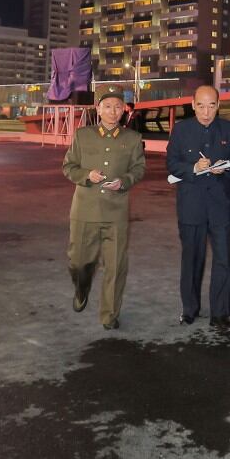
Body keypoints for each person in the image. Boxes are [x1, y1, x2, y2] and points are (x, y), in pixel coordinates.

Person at [62, 85, 146, 330]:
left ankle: (109, 314)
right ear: (98, 108)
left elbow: (139, 169)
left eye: (118, 106)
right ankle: (81, 288)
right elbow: (68, 167)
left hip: (116, 211)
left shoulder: (132, 138)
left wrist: (125, 181)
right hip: (85, 209)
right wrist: (87, 174)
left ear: (124, 109)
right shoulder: (82, 135)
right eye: (107, 106)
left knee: (116, 266)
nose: (113, 111)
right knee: (78, 261)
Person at [166, 84, 230, 328]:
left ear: (218, 105)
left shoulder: (229, 129)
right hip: (191, 204)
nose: (206, 111)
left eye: (211, 105)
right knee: (192, 258)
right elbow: (171, 162)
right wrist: (193, 168)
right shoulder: (181, 130)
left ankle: (220, 313)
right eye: (200, 105)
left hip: (220, 204)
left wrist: (228, 165)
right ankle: (190, 309)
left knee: (222, 258)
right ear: (193, 105)